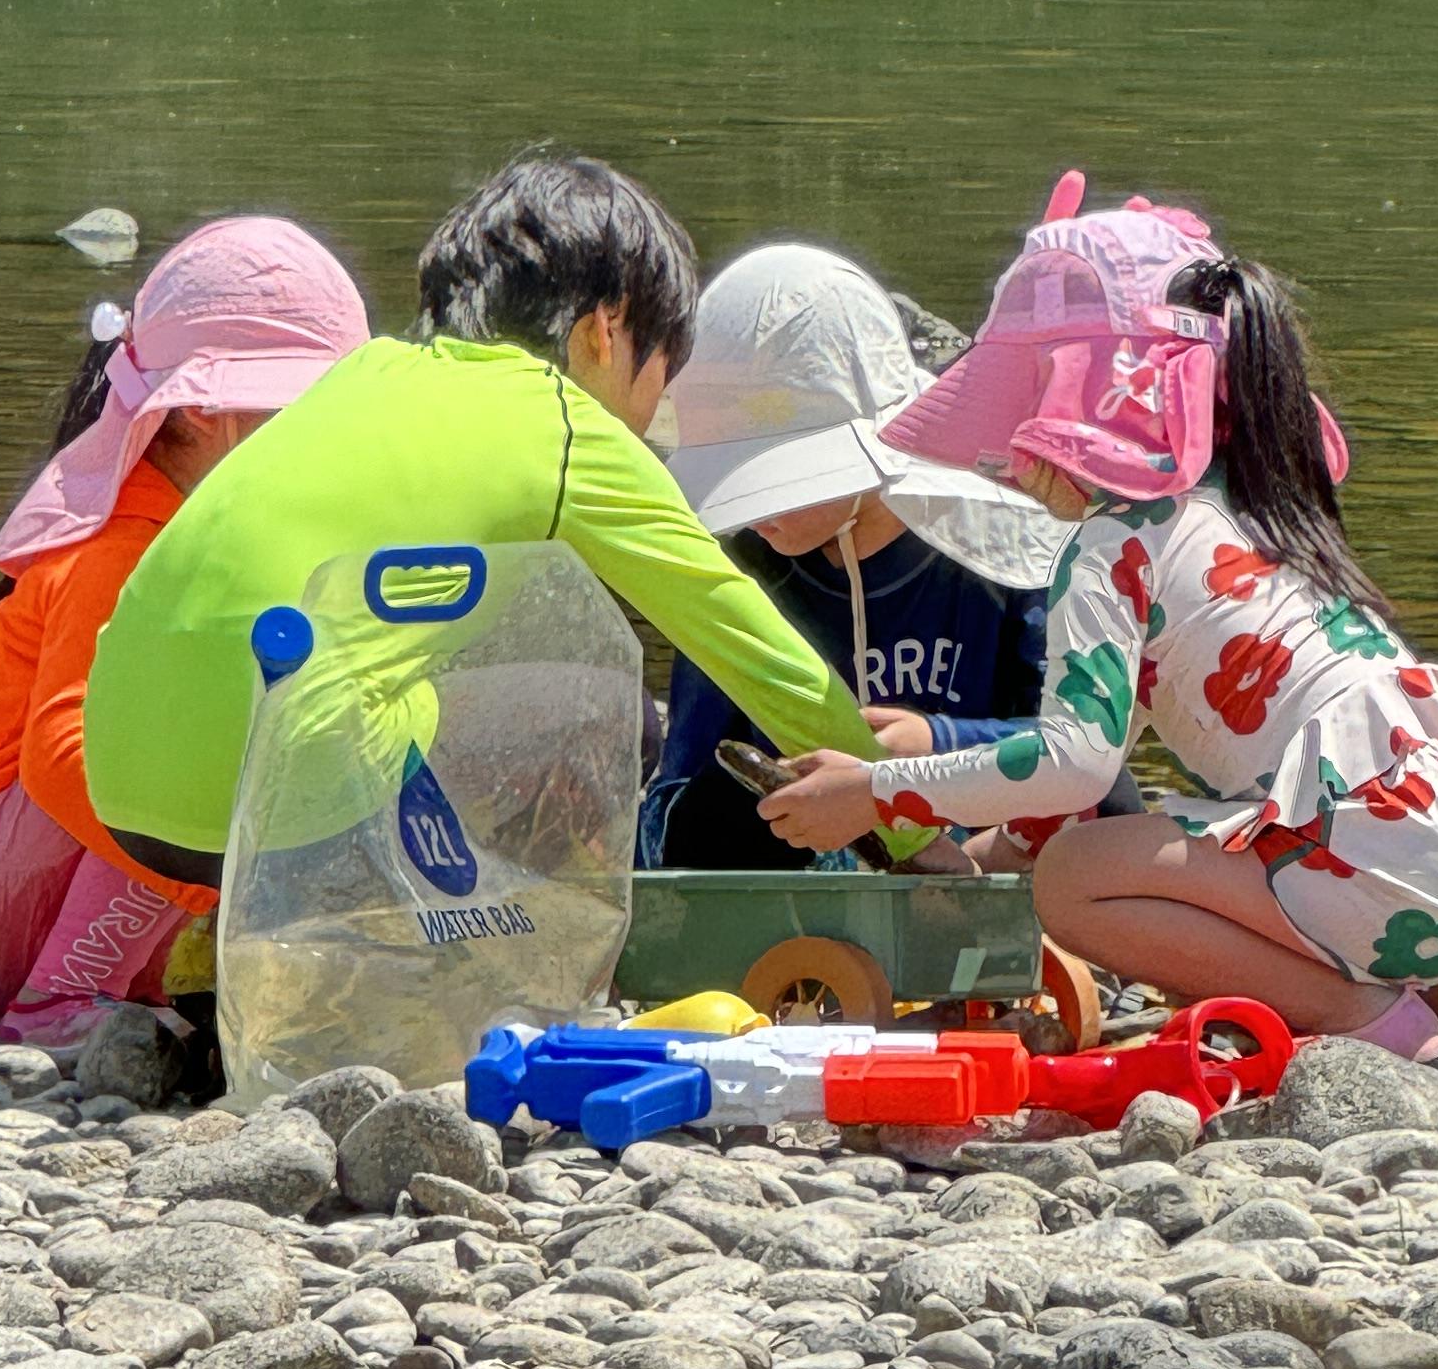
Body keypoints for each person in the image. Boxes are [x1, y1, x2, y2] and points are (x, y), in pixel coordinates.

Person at [760, 173, 1438, 1107]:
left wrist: (874, 790)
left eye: (1016, 421)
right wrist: (988, 848)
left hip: (1392, 858)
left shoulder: (1114, 544)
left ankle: (1377, 1027)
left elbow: (1076, 766)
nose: (1006, 458)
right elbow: (1083, 768)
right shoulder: (1253, 499)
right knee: (1132, 844)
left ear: (1079, 409)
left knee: (1078, 883)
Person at [78, 153, 883, 883]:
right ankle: (506, 969)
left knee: (452, 632)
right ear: (606, 330)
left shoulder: (364, 374)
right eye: (658, 378)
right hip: (288, 795)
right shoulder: (562, 422)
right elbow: (741, 634)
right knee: (605, 706)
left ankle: (272, 944)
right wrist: (904, 819)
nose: (647, 418)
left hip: (121, 781)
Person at [0, 216, 370, 1049]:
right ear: (200, 412)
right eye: (301, 413)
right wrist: (223, 871)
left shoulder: (231, 530)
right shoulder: (120, 546)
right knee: (195, 755)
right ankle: (58, 999)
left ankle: (120, 984)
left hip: (69, 885)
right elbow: (60, 754)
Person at [643, 241, 1070, 865]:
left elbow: (1078, 746)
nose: (750, 510)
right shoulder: (741, 570)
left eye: (773, 480)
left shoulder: (998, 550)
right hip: (804, 874)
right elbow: (682, 787)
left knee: (1102, 800)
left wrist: (935, 744)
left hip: (982, 851)